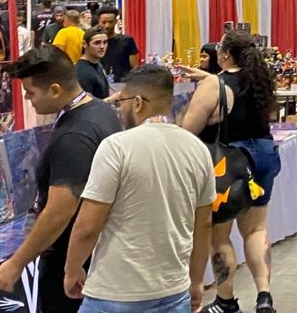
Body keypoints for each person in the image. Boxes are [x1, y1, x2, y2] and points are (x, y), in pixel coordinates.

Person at [64, 64, 215, 313]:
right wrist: (196, 280)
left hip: (115, 293)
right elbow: (204, 224)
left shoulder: (116, 147)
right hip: (173, 290)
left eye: (121, 102)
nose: (120, 109)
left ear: (137, 103)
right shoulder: (197, 148)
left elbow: (88, 226)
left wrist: (72, 269)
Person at [0, 45, 121, 312]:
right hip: (98, 256)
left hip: (74, 265)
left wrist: (16, 263)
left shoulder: (75, 135)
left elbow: (61, 209)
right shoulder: (100, 110)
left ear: (54, 89)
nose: (28, 99)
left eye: (30, 93)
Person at [180, 30, 281, 313]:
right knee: (256, 229)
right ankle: (264, 295)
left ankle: (226, 300)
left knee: (220, 235)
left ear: (224, 54)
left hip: (230, 163)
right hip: (263, 156)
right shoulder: (259, 80)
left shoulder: (216, 83)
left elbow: (189, 129)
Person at [96, 7, 139, 83]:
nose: (107, 26)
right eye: (104, 22)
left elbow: (135, 66)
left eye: (110, 22)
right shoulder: (93, 43)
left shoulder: (127, 40)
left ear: (116, 21)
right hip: (99, 84)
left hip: (123, 83)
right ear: (99, 22)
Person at [74, 28, 111, 99]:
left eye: (105, 42)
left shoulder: (98, 65)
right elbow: (85, 105)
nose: (102, 47)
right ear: (84, 44)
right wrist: (112, 99)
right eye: (97, 43)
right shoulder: (81, 72)